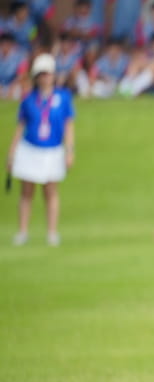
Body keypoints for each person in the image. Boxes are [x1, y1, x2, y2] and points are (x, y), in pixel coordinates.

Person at [7, 54, 75, 247]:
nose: (45, 77)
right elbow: (20, 127)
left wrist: (70, 150)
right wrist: (11, 154)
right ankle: (23, 231)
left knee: (51, 192)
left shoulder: (63, 97)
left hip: (52, 149)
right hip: (30, 148)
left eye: (48, 74)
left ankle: (52, 233)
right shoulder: (29, 100)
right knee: (26, 192)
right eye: (41, 74)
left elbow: (68, 126)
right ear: (37, 76)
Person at [0, 31, 29, 100]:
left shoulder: (20, 56)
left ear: (12, 44)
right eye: (3, 43)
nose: (5, 46)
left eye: (8, 44)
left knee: (25, 87)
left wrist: (12, 86)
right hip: (1, 85)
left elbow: (22, 74)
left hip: (14, 85)